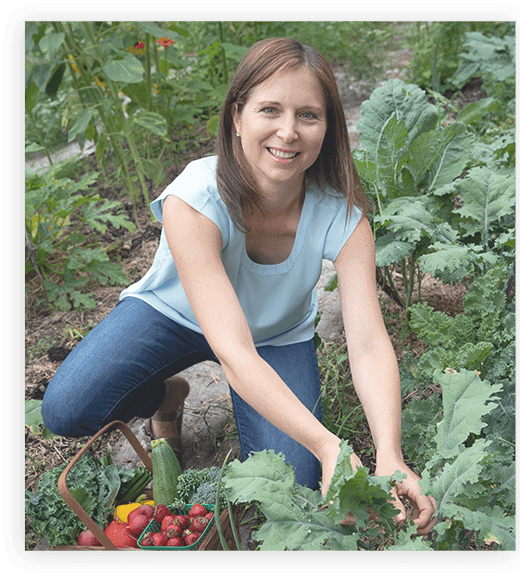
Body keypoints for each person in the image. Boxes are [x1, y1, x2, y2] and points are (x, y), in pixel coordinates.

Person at [42, 37, 436, 534]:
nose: (288, 132)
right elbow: (233, 351)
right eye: (269, 109)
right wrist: (331, 444)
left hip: (272, 338)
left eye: (308, 115)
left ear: (328, 127)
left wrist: (390, 453)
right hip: (172, 317)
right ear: (236, 116)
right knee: (68, 408)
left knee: (289, 479)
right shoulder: (194, 196)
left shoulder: (345, 219)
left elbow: (368, 342)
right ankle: (165, 396)